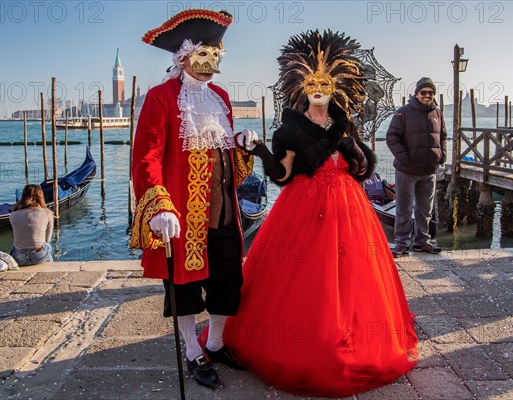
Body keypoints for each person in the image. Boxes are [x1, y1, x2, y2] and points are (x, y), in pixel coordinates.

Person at [223, 30, 418, 397]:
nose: (317, 88)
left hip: (349, 206)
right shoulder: (291, 128)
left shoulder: (345, 125)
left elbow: (360, 169)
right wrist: (262, 150)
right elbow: (281, 175)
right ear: (300, 85)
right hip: (304, 207)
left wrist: (358, 154)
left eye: (324, 82)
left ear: (336, 87)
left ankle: (354, 336)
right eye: (311, 82)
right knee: (305, 276)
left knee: (354, 275)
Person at [131, 9, 256, 389]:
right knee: (183, 287)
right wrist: (158, 206)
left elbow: (225, 159)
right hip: (182, 214)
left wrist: (241, 145)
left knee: (227, 281)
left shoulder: (220, 97)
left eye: (215, 59)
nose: (208, 68)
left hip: (223, 212)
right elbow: (146, 156)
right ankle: (191, 349)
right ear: (183, 57)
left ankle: (215, 343)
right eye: (202, 58)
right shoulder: (161, 97)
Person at [386, 77, 447, 258]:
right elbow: (392, 137)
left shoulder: (438, 112)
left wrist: (442, 156)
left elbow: (443, 136)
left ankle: (422, 242)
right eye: (424, 92)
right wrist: (405, 158)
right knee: (404, 208)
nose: (427, 95)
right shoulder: (402, 112)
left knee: (425, 209)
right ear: (417, 93)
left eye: (430, 92)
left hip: (429, 170)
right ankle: (401, 243)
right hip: (407, 170)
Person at [9, 184, 54, 266]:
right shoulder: (48, 213)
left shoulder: (13, 215)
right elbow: (47, 240)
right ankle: (51, 268)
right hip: (39, 256)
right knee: (48, 246)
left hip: (19, 257)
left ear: (23, 196)